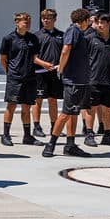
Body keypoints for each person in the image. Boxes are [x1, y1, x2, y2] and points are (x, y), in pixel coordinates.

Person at [43, 9, 92, 158]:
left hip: (81, 80)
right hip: (73, 81)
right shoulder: (73, 30)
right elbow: (65, 50)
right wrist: (61, 68)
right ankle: (50, 144)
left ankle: (70, 145)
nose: (89, 23)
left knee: (73, 113)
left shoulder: (78, 32)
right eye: (88, 20)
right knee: (65, 113)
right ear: (84, 20)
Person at [0, 12, 42, 146]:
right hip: (14, 78)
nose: (27, 24)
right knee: (11, 105)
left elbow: (35, 57)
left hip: (30, 78)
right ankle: (5, 135)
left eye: (29, 21)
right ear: (17, 22)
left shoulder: (33, 38)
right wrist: (9, 73)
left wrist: (45, 64)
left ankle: (27, 136)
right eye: (24, 21)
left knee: (26, 108)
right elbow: (2, 58)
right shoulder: (8, 39)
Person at [82, 12, 110, 146]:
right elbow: (82, 59)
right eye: (98, 22)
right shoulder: (89, 38)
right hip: (93, 80)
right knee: (90, 108)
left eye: (103, 22)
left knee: (108, 109)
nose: (99, 25)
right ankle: (89, 134)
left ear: (109, 23)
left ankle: (108, 135)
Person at [32, 9, 64, 138]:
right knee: (37, 100)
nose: (46, 20)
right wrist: (43, 64)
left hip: (55, 73)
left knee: (53, 100)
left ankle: (54, 126)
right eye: (44, 18)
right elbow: (32, 57)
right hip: (40, 72)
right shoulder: (36, 36)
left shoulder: (62, 35)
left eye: (49, 18)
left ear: (54, 19)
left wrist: (60, 66)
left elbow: (65, 53)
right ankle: (36, 126)